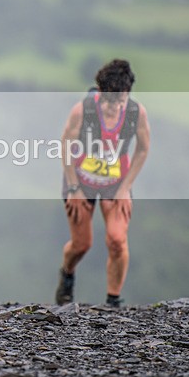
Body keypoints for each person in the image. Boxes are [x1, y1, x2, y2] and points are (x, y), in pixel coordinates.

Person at [55, 59, 150, 308]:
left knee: (117, 239)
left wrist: (125, 188)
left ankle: (113, 301)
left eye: (119, 101)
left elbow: (142, 149)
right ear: (99, 93)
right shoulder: (83, 110)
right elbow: (65, 145)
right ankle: (67, 274)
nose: (113, 108)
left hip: (115, 182)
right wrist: (73, 187)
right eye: (108, 101)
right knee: (81, 244)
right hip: (81, 180)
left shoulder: (136, 113)